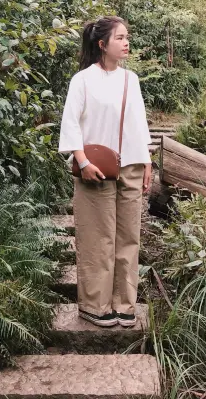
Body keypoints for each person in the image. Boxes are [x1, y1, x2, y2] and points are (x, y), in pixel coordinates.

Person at [58, 16, 152, 328]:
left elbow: (139, 123)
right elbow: (70, 123)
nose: (126, 43)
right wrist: (82, 162)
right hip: (96, 167)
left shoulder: (131, 80)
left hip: (132, 166)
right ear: (102, 44)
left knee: (128, 237)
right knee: (98, 238)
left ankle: (125, 305)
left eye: (127, 37)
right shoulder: (82, 80)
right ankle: (95, 305)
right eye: (120, 38)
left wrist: (147, 162)